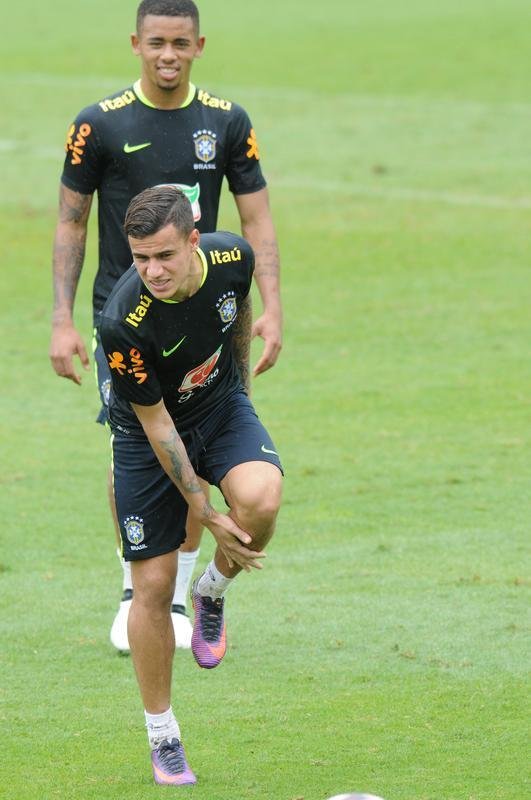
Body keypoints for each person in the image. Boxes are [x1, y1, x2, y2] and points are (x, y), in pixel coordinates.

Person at [49, 0, 282, 652]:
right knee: (134, 442)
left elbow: (256, 219)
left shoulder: (226, 121)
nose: (168, 55)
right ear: (136, 44)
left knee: (196, 439)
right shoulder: (98, 124)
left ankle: (181, 592)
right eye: (157, 42)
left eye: (180, 42)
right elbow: (70, 221)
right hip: (123, 319)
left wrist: (272, 305)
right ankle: (136, 589)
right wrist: (62, 319)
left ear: (199, 45)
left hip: (202, 306)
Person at [99, 184, 282, 785]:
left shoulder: (231, 256)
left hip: (219, 405)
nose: (152, 270)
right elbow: (157, 426)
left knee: (260, 500)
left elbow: (239, 312)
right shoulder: (122, 321)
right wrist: (202, 509)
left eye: (164, 256)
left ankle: (210, 592)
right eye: (140, 258)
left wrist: (243, 400)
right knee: (151, 585)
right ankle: (163, 735)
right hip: (146, 435)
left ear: (193, 242)